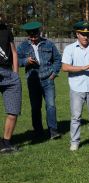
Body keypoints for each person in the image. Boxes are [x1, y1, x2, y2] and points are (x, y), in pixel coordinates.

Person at [61, 21, 89, 151]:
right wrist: (83, 67)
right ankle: (74, 142)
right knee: (76, 117)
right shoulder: (70, 49)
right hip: (76, 88)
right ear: (77, 34)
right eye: (83, 34)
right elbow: (65, 67)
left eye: (88, 34)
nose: (86, 37)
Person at [17, 21, 62, 140]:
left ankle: (53, 131)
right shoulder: (22, 46)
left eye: (35, 36)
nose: (33, 38)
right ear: (28, 35)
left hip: (48, 79)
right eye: (30, 36)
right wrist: (26, 61)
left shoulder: (49, 44)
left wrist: (54, 72)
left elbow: (57, 59)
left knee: (51, 106)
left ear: (39, 33)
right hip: (33, 81)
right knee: (35, 106)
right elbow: (16, 61)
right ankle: (38, 131)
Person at [0, 13, 22, 154]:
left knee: (13, 111)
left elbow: (14, 52)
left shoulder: (6, 30)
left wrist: (15, 73)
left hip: (9, 74)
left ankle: (6, 143)